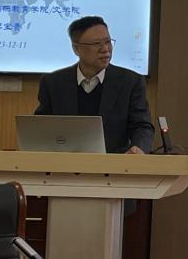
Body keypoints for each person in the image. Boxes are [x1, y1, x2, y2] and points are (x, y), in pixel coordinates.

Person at [35, 15, 154, 154]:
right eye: (97, 44)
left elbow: (142, 126)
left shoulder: (130, 82)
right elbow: (40, 126)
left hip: (113, 163)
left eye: (108, 42)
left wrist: (139, 148)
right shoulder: (53, 83)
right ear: (76, 49)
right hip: (64, 162)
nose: (105, 49)